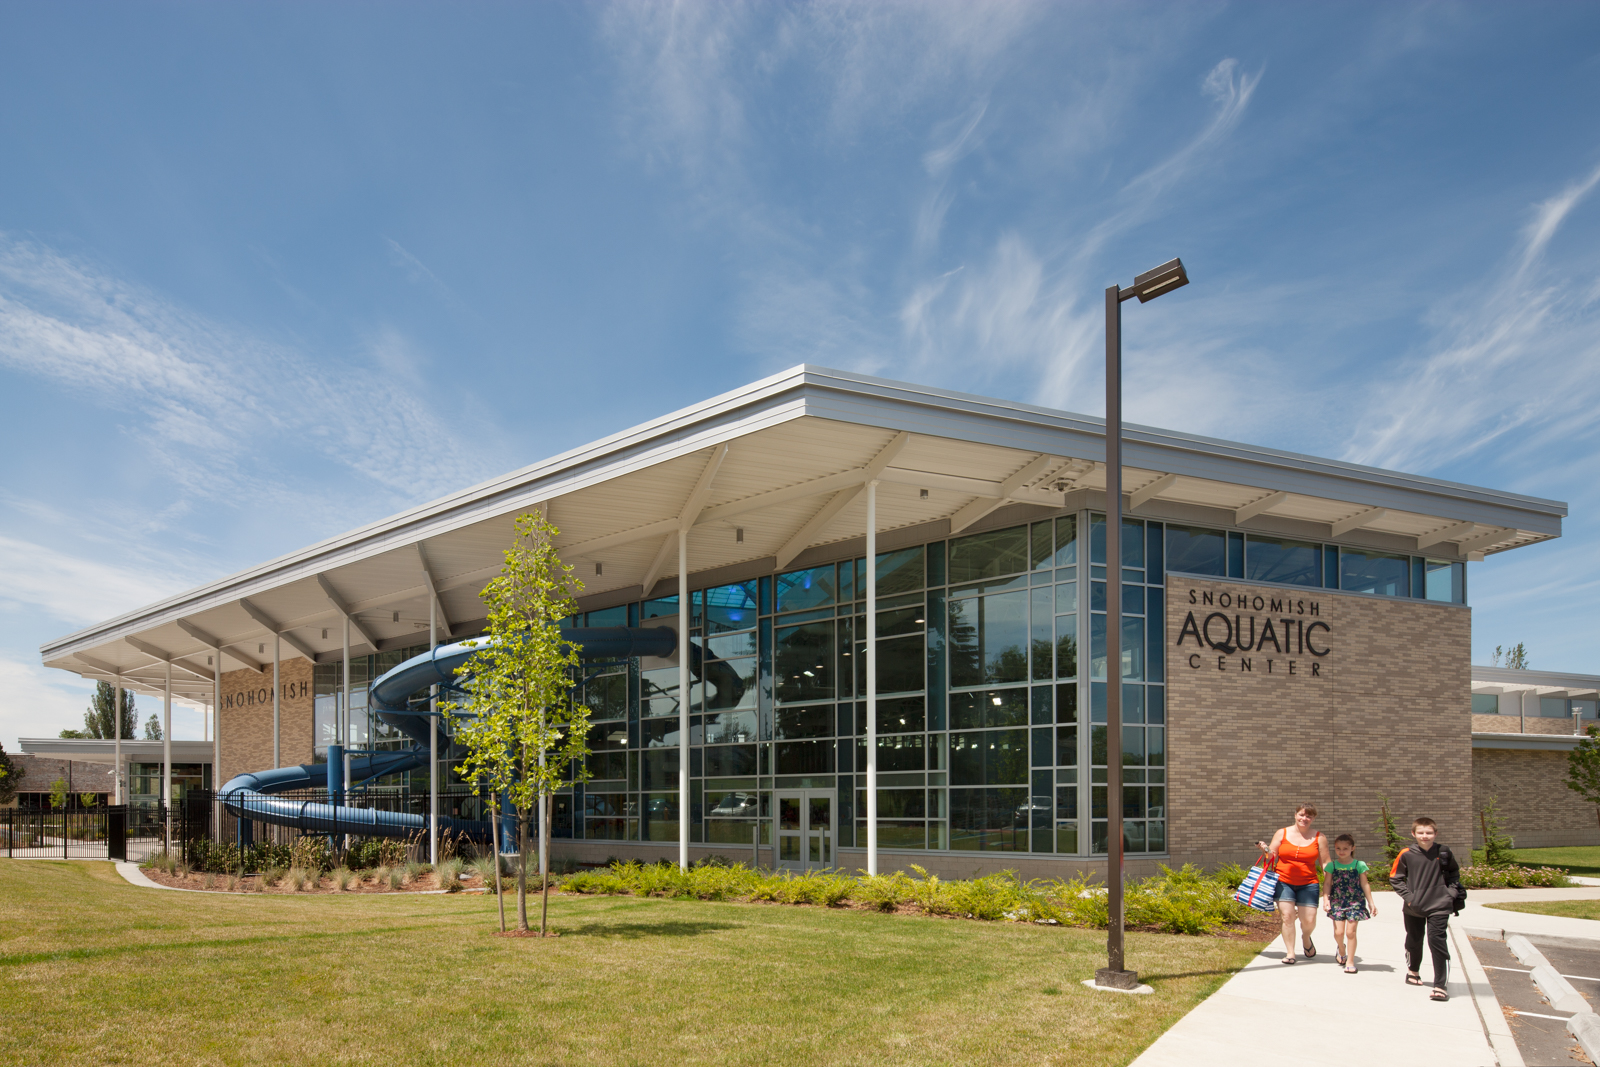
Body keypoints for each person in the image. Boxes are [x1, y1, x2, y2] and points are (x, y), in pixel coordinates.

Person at [1390, 816, 1463, 1001]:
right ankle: (1413, 971)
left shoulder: (1444, 852)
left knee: (1437, 941)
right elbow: (1395, 878)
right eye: (1421, 833)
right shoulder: (1406, 853)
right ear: (1413, 834)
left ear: (1435, 833)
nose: (1425, 836)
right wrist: (1409, 898)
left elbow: (1454, 873)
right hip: (1414, 907)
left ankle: (1440, 985)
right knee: (1414, 940)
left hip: (1440, 905)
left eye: (1429, 832)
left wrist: (1451, 894)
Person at [1256, 804, 1330, 964]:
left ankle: (1306, 937)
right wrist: (1265, 850)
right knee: (1287, 916)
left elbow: (1325, 863)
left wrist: (1330, 886)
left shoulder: (1319, 837)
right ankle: (1290, 953)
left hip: (1309, 883)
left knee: (1309, 921)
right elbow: (1271, 857)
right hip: (1284, 882)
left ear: (1313, 818)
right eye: (1302, 815)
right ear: (1295, 815)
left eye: (1309, 816)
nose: (1305, 819)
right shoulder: (1282, 833)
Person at [1321, 833, 1377, 974]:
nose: (1342, 851)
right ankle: (1341, 949)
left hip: (1355, 902)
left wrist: (1371, 903)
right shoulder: (1331, 866)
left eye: (1345, 848)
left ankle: (1350, 962)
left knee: (1350, 932)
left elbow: (1365, 884)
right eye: (1339, 848)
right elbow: (1327, 884)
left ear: (1352, 848)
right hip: (1338, 902)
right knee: (1339, 933)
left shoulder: (1359, 865)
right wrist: (1326, 899)